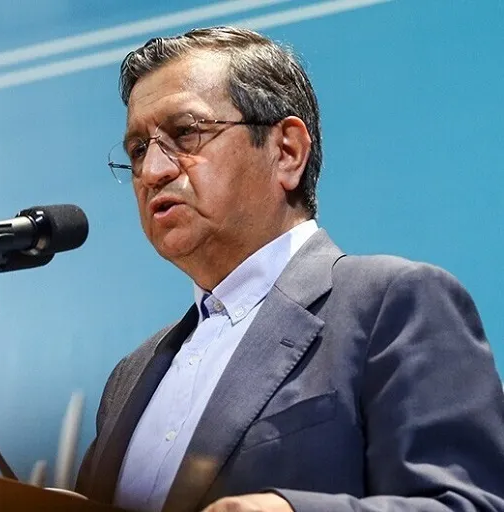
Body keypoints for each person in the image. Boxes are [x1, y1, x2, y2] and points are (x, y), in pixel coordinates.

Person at [75, 26, 504, 512]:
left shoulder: (393, 304)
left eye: (186, 133)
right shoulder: (129, 377)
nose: (153, 171)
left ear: (287, 151)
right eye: (137, 150)